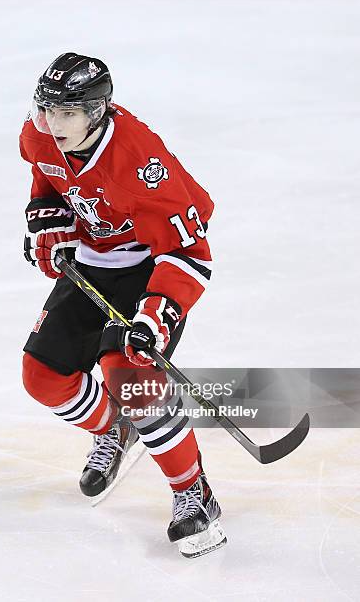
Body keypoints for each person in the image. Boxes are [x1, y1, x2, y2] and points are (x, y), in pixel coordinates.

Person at [19, 52, 226, 558]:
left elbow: (189, 252)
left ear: (98, 110)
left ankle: (193, 493)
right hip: (93, 263)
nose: (52, 122)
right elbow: (48, 183)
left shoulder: (142, 163)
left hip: (149, 267)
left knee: (132, 381)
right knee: (42, 377)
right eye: (47, 110)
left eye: (67, 112)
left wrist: (158, 313)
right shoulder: (41, 131)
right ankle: (115, 427)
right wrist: (50, 225)